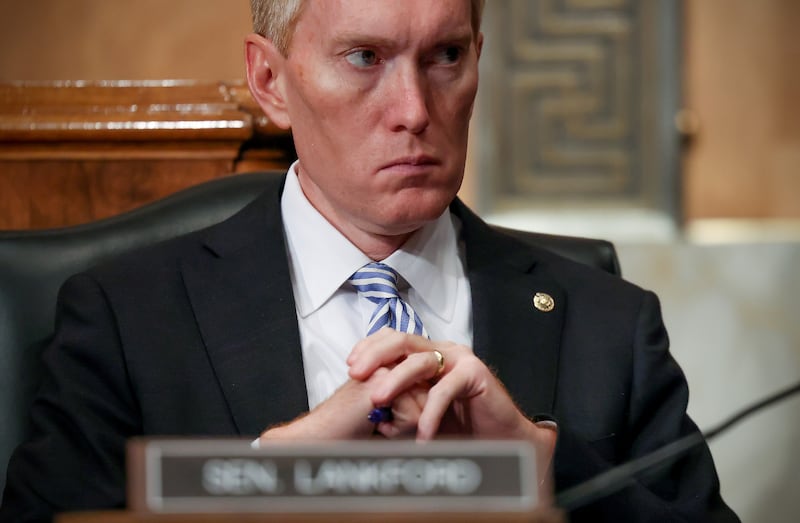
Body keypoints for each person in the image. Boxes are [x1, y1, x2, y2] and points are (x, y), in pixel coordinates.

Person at [1, 0, 738, 521]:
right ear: (270, 83)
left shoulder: (609, 321)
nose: (415, 108)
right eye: (365, 58)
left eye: (446, 56)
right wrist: (270, 474)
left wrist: (543, 466)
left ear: (478, 59)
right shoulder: (127, 317)